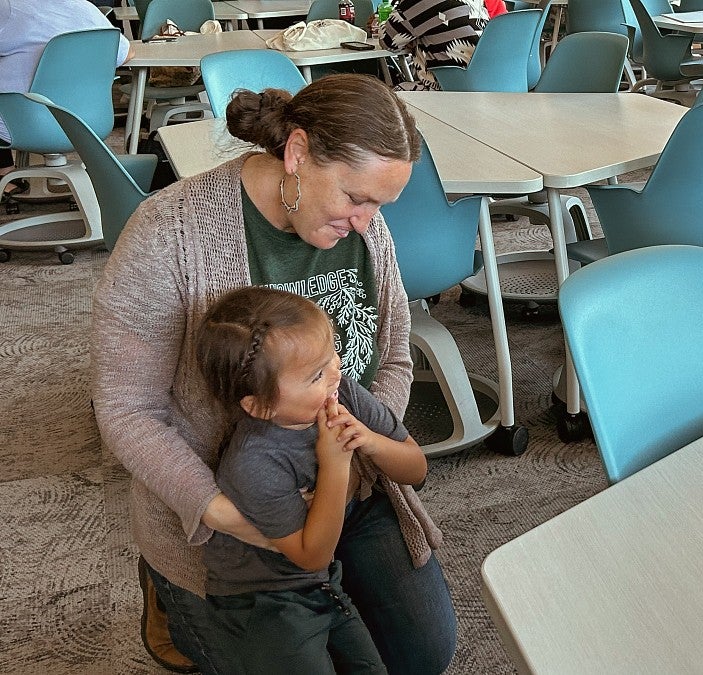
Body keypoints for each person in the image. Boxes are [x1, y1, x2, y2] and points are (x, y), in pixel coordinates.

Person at [92, 74, 457, 675]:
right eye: (355, 198)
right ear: (296, 153)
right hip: (237, 506)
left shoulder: (364, 229)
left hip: (345, 480)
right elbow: (127, 408)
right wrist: (219, 512)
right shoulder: (169, 233)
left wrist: (360, 437)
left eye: (380, 206)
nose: (368, 222)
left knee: (421, 657)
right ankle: (167, 585)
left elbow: (391, 356)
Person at [195, 287, 426, 673]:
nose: (338, 370)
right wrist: (337, 465)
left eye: (332, 352)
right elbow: (310, 555)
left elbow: (416, 470)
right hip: (261, 598)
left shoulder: (344, 392)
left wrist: (370, 442)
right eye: (317, 374)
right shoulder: (253, 462)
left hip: (323, 580)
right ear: (260, 406)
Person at [0, 0, 132, 199]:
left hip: (22, 123)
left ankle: (6, 174)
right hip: (87, 121)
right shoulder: (86, 8)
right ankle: (6, 173)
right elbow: (126, 53)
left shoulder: (8, 8)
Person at [381, 0, 489, 90]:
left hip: (448, 89)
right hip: (488, 87)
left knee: (386, 98)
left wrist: (379, 24)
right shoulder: (476, 2)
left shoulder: (418, 2)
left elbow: (388, 42)